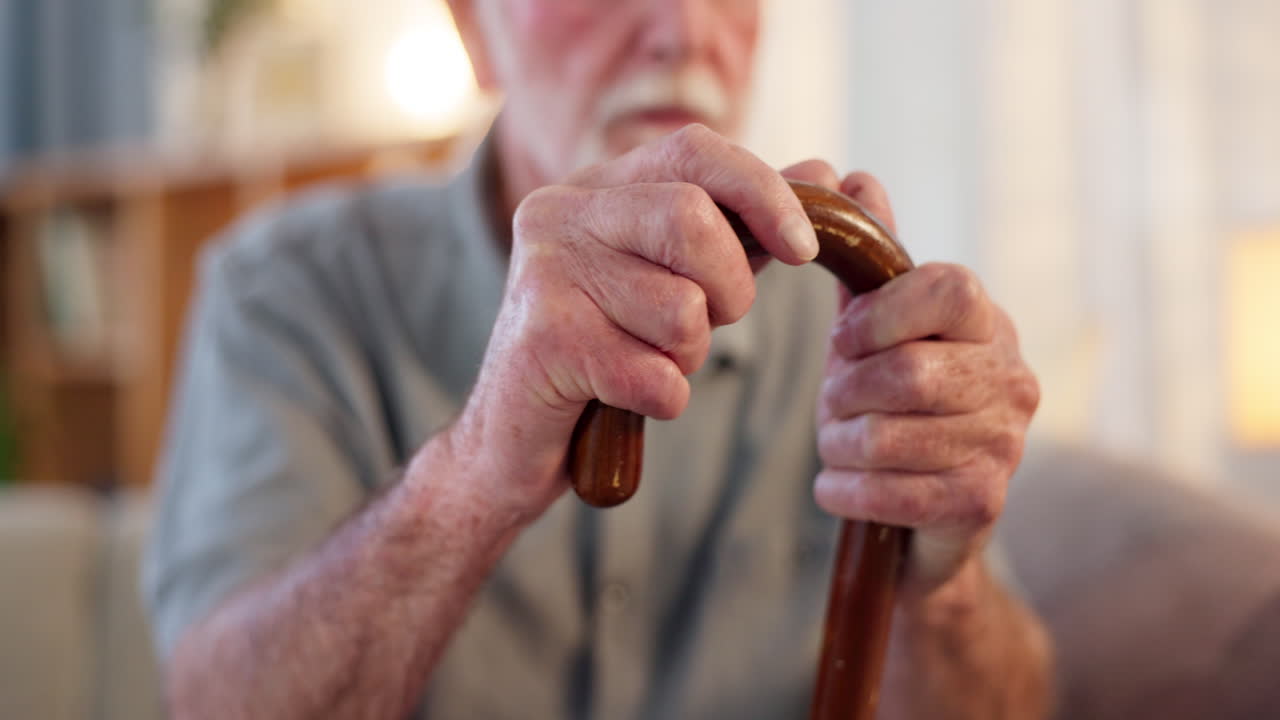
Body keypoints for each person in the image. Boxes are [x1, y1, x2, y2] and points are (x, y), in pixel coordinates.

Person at [143, 0, 1053, 717]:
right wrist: (473, 474)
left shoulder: (860, 319)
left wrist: (944, 591)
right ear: (474, 27)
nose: (684, 31)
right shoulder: (285, 291)